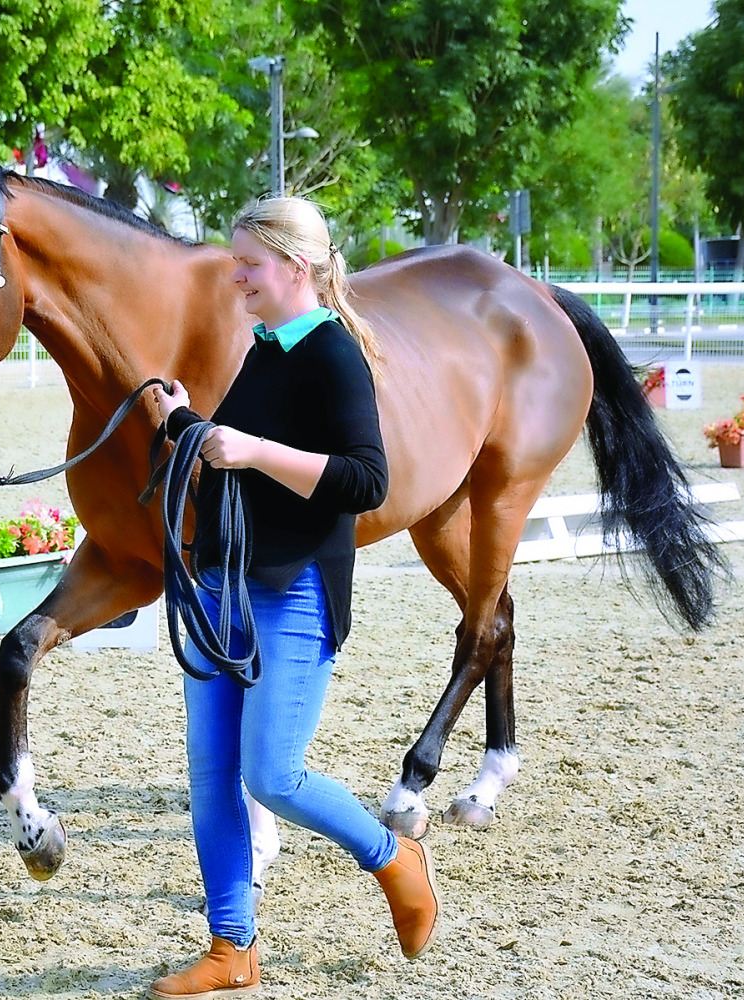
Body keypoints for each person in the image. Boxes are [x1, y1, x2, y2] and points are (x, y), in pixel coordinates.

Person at [150, 197, 439, 998]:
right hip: (221, 585)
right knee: (212, 777)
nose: (235, 274)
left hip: (296, 589)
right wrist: (186, 426)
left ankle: (394, 857)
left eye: (248, 262)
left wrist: (253, 449)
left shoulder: (333, 354)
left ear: (294, 267)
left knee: (273, 775)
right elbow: (239, 454)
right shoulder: (267, 349)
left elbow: (365, 479)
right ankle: (231, 947)